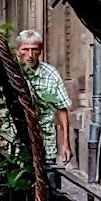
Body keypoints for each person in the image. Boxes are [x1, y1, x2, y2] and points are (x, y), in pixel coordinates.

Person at [16, 28, 71, 165]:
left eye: (34, 49)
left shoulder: (51, 74)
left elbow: (61, 108)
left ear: (40, 50)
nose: (30, 55)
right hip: (15, 142)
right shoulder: (12, 74)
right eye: (25, 49)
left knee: (49, 180)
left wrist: (65, 143)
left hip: (45, 142)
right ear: (18, 51)